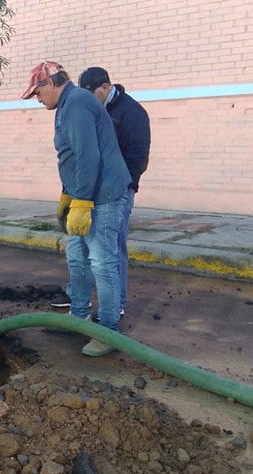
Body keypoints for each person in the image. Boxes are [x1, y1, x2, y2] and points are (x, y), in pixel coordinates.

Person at [22, 61, 130, 357]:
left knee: (102, 262)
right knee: (77, 256)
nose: (37, 98)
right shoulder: (68, 105)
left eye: (38, 92)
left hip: (103, 196)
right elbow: (72, 158)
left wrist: (81, 202)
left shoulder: (77, 103)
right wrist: (68, 195)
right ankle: (79, 316)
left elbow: (88, 156)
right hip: (86, 194)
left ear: (51, 83)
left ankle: (108, 331)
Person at [78, 67, 151, 316]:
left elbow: (137, 155)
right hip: (95, 191)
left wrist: (127, 187)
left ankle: (116, 305)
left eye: (92, 94)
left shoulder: (132, 113)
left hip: (119, 190)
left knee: (113, 249)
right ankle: (82, 300)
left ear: (106, 88)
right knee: (87, 249)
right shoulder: (95, 110)